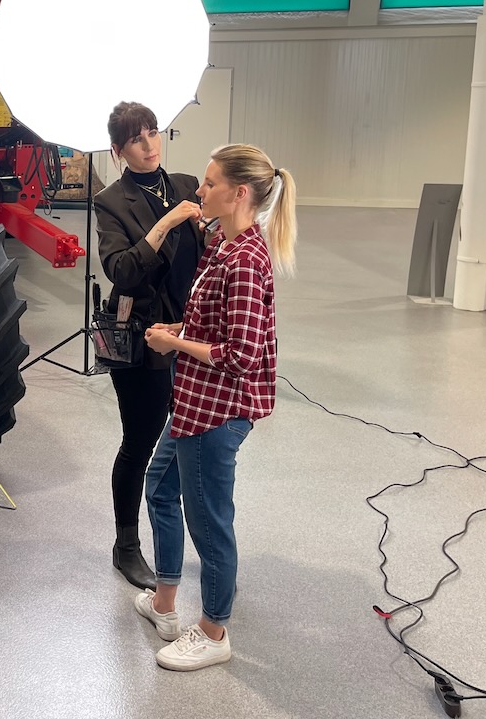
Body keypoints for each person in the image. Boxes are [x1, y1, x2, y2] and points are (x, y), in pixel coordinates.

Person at [135, 144, 297, 671]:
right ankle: (164, 601)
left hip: (218, 410)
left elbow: (241, 355)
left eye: (209, 184)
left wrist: (173, 345)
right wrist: (180, 328)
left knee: (208, 524)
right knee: (160, 487)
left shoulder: (246, 261)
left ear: (239, 193)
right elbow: (213, 321)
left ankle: (213, 630)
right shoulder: (221, 245)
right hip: (194, 401)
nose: (199, 191)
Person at [93, 102, 204, 590]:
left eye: (153, 133)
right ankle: (126, 545)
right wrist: (165, 225)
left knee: (191, 438)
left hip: (190, 331)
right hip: (140, 337)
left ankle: (194, 539)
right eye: (136, 139)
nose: (149, 144)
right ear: (118, 150)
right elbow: (121, 272)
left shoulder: (186, 184)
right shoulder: (110, 202)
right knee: (140, 443)